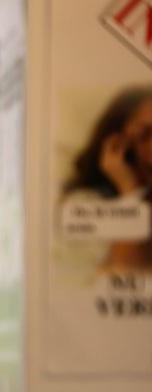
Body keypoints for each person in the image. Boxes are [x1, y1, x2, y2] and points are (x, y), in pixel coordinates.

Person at [62, 86, 152, 274]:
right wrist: (130, 190)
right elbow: (115, 276)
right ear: (118, 146)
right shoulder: (86, 203)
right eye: (145, 134)